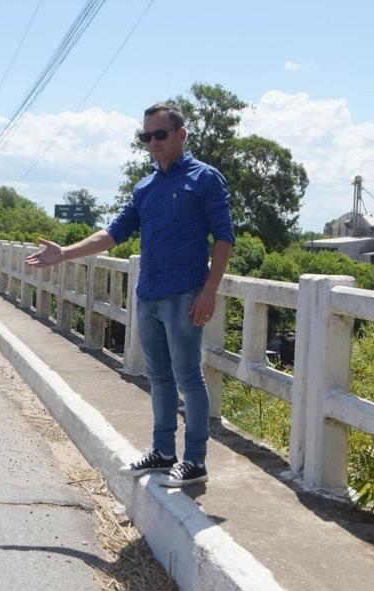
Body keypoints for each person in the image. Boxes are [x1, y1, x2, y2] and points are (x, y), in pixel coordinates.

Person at [25, 101, 235, 486]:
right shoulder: (146, 187)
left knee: (188, 376)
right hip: (149, 294)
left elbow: (224, 238)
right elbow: (113, 233)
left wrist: (210, 291)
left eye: (160, 134)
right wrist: (66, 253)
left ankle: (196, 460)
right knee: (158, 376)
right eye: (146, 136)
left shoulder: (205, 179)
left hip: (186, 293)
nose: (153, 142)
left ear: (181, 135)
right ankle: (162, 452)